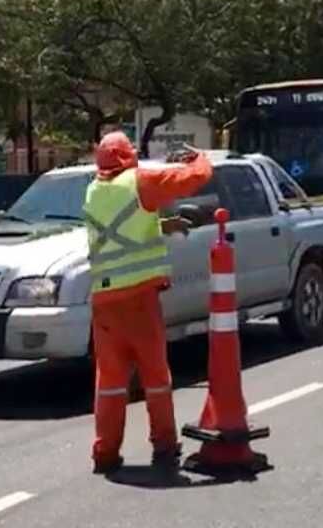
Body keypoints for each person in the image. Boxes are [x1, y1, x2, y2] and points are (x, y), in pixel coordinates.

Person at [83, 132, 213, 474]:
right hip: (139, 298)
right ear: (129, 156)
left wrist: (162, 225)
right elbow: (193, 179)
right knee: (156, 375)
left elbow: (123, 227)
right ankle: (165, 447)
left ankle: (105, 453)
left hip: (105, 302)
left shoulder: (94, 190)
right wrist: (200, 159)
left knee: (110, 382)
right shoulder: (139, 180)